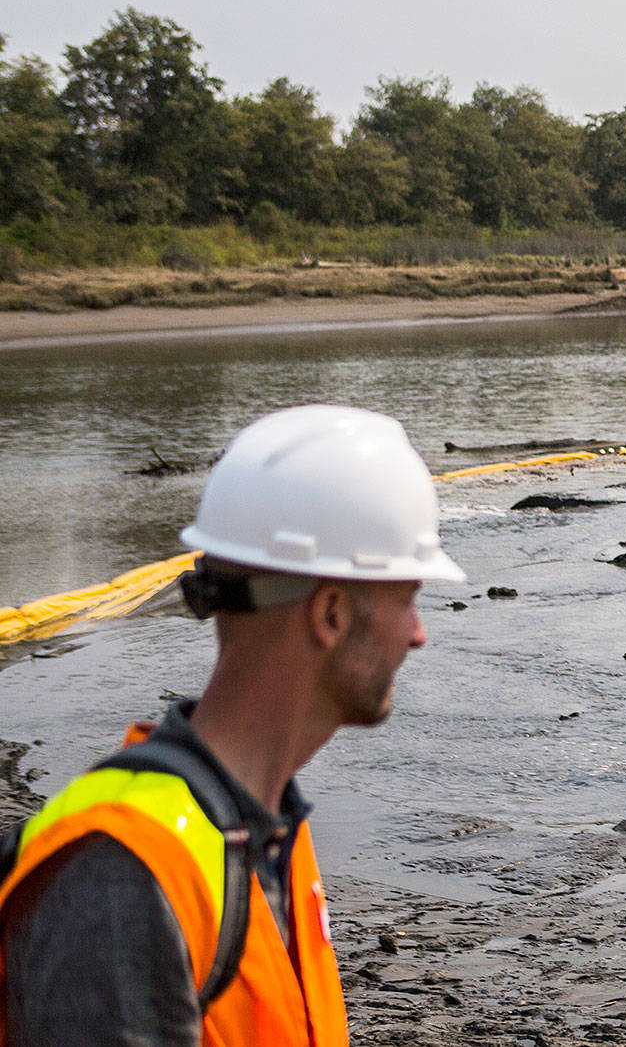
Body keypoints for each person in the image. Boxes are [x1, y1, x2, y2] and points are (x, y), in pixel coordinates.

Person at [0, 404, 462, 1047]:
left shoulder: (270, 832)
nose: (419, 633)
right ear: (329, 613)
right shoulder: (124, 874)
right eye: (408, 599)